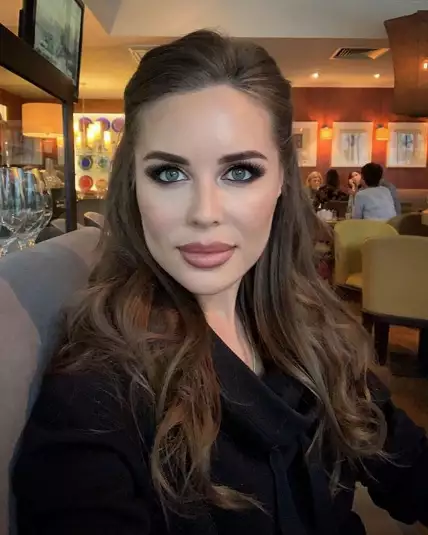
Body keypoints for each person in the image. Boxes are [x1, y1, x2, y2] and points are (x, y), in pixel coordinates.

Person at [13, 30, 428, 535]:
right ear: (133, 184)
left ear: (282, 180)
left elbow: (409, 465)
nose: (204, 213)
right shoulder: (96, 395)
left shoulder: (314, 328)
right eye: (169, 173)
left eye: (240, 172)